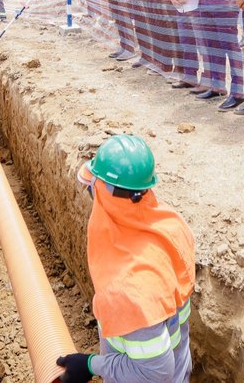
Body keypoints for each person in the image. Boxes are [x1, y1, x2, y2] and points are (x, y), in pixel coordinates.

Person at [57, 134, 195, 383]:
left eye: (93, 187)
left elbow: (154, 373)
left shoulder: (126, 289)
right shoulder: (171, 226)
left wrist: (90, 365)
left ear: (106, 194)